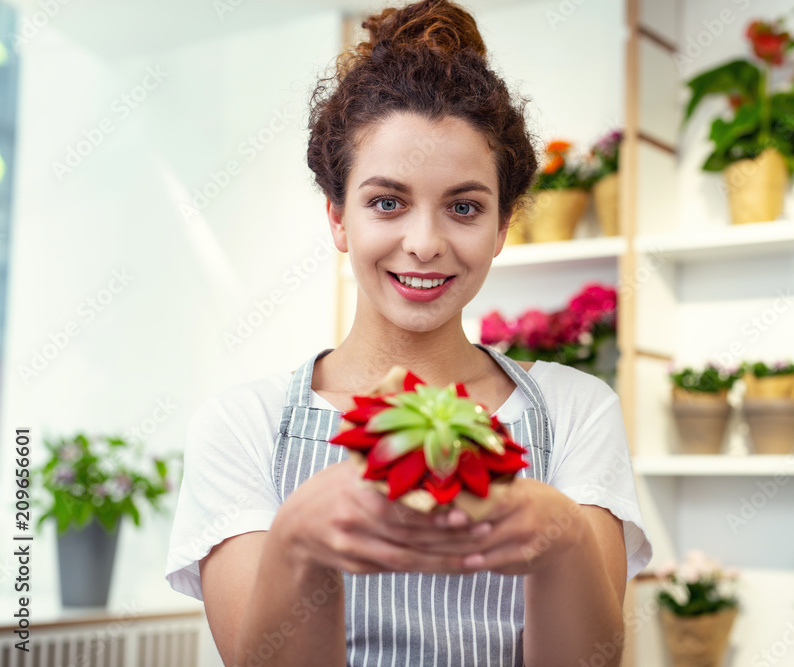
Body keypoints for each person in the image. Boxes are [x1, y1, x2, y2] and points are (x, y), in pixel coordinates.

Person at [165, 1, 652, 664]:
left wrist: (562, 535)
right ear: (338, 216)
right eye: (386, 202)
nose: (423, 243)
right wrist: (298, 541)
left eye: (464, 206)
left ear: (504, 223)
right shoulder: (241, 426)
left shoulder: (576, 412)